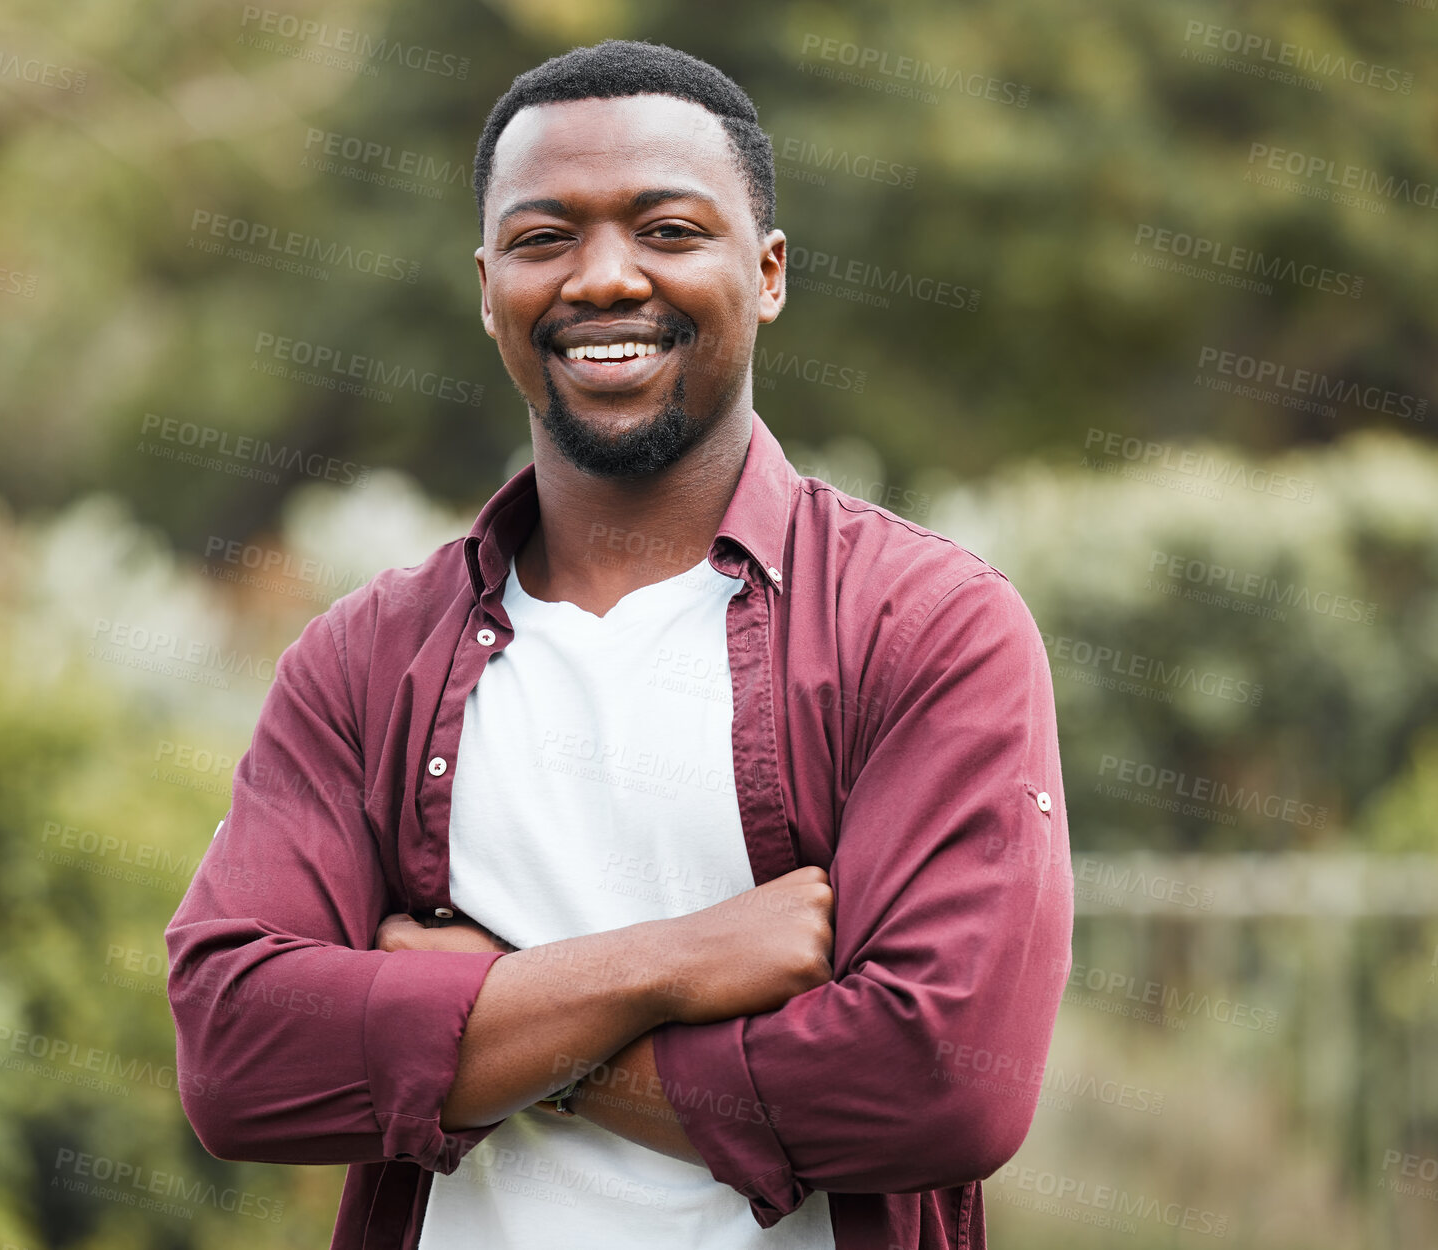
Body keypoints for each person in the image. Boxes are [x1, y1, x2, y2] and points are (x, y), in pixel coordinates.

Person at [165, 38, 1073, 1250]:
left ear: (768, 271)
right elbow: (237, 1052)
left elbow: (941, 1081)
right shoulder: (365, 659)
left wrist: (484, 1011)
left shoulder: (926, 628)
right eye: (545, 239)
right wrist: (678, 960)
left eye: (668, 229)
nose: (602, 278)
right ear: (488, 285)